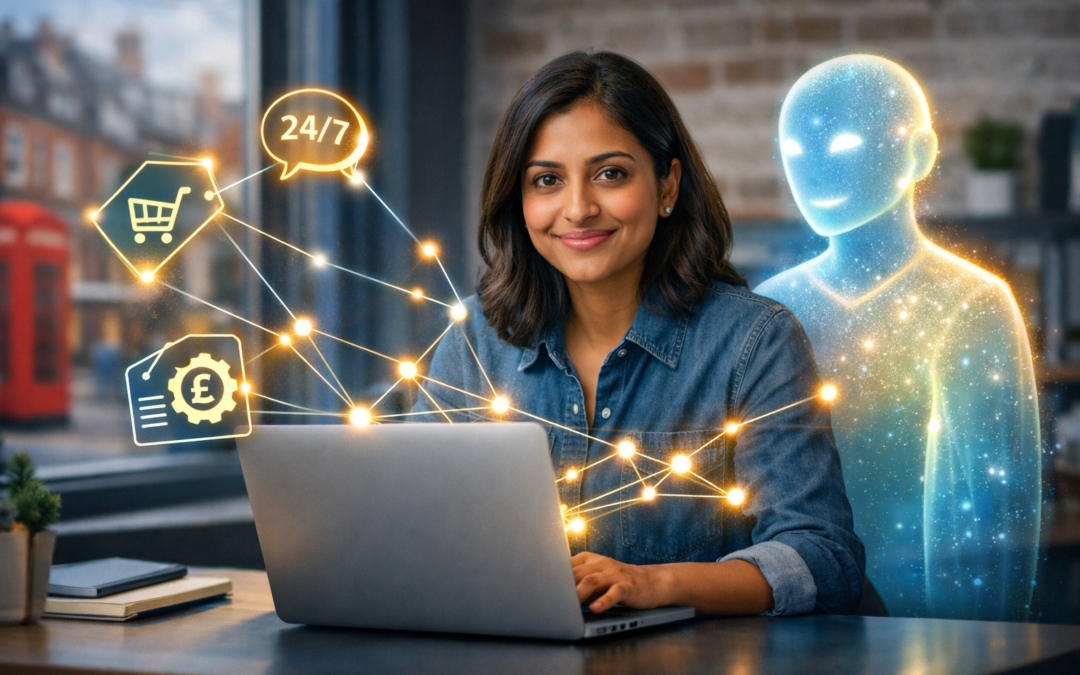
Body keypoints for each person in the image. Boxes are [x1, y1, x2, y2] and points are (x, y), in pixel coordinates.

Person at [412, 51, 864, 616]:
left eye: (610, 174)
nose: (578, 208)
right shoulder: (475, 340)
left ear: (667, 185)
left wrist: (657, 584)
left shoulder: (755, 342)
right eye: (547, 180)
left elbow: (824, 557)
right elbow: (412, 524)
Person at [755, 54, 1040, 621]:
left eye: (845, 148)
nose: (815, 173)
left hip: (933, 629)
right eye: (795, 153)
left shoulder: (972, 300)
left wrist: (978, 645)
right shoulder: (770, 304)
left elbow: (995, 516)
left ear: (920, 153)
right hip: (792, 615)